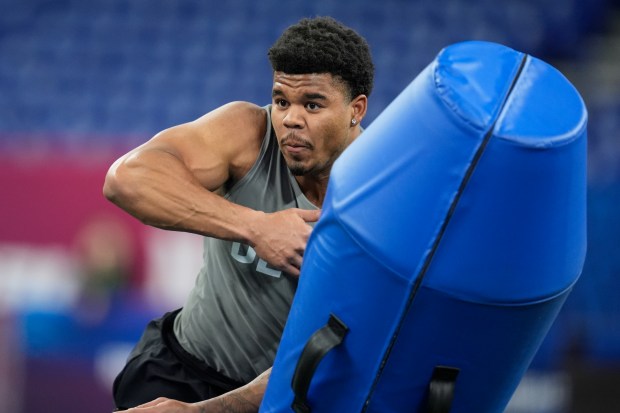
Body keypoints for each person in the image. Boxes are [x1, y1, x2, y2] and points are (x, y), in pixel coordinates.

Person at [103, 16, 374, 412]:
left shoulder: (381, 203)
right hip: (176, 369)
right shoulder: (251, 133)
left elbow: (334, 360)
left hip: (283, 398)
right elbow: (126, 180)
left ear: (357, 109)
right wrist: (255, 227)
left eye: (312, 104)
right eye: (282, 100)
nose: (290, 119)